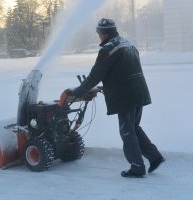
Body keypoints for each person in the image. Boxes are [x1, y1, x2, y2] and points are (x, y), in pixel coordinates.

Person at [65, 18, 165, 178]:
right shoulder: (128, 44)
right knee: (134, 128)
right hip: (138, 92)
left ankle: (137, 167)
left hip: (126, 97)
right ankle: (154, 157)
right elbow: (123, 73)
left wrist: (78, 91)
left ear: (102, 34)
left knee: (127, 132)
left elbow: (94, 75)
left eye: (99, 33)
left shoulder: (108, 49)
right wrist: (104, 88)